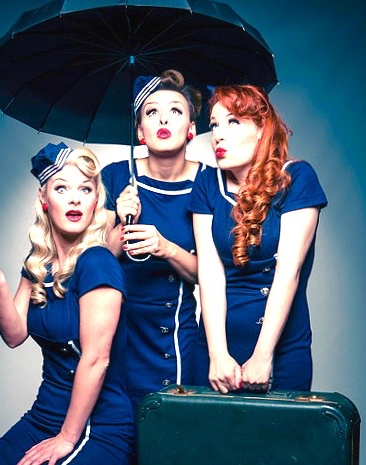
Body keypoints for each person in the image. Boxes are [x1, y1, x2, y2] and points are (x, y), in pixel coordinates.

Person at [0, 143, 134, 465]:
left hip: (94, 427)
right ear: (44, 198)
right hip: (44, 417)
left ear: (96, 199)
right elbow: (14, 335)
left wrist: (66, 438)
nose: (74, 198)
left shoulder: (98, 262)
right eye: (62, 188)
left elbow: (96, 360)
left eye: (85, 189)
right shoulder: (39, 264)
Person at [188, 85, 328, 394]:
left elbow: (288, 273)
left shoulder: (297, 178)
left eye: (233, 122)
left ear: (262, 128)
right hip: (215, 348)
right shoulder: (207, 183)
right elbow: (209, 275)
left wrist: (263, 356)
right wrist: (217, 355)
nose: (218, 135)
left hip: (280, 348)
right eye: (214, 124)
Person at [102, 69, 205, 410]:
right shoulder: (115, 176)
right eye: (151, 112)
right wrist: (120, 222)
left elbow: (213, 276)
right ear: (139, 131)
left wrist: (166, 248)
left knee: (171, 430)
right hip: (117, 330)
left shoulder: (208, 183)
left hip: (174, 336)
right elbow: (92, 265)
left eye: (175, 110)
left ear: (191, 128)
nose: (163, 119)